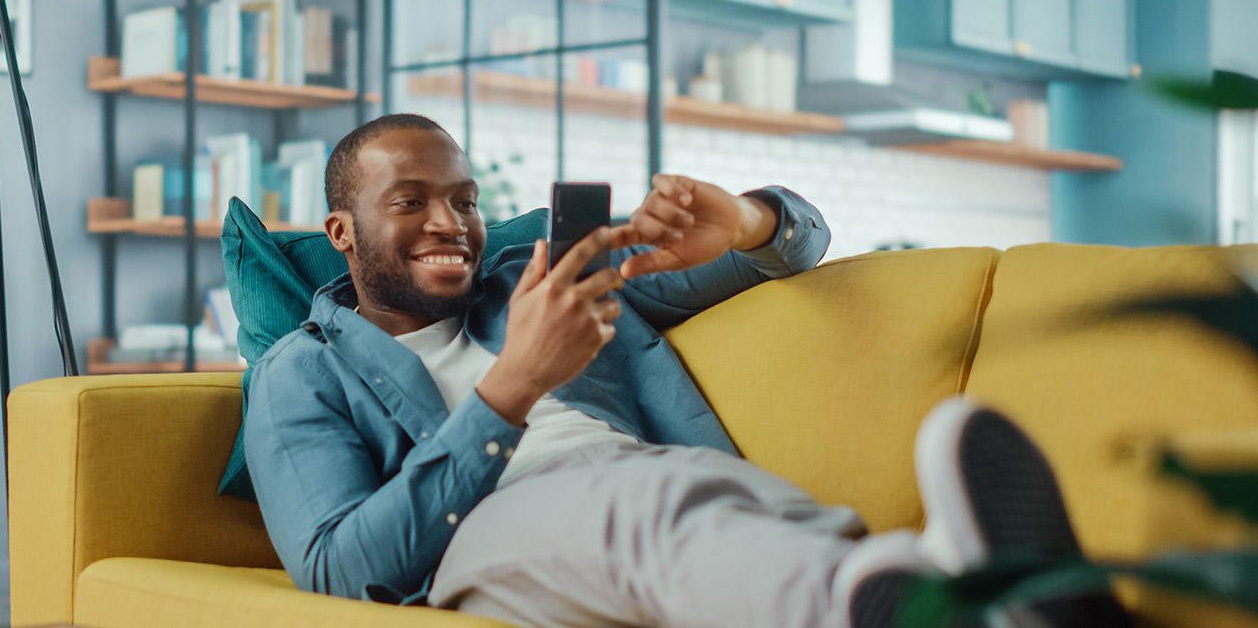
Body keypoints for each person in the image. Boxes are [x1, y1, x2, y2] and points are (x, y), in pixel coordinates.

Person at [242, 114, 1130, 628]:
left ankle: (958, 589)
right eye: (411, 203)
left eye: (465, 201)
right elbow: (336, 567)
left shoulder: (546, 277)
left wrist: (743, 223)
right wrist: (509, 390)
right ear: (343, 232)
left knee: (757, 509)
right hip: (483, 531)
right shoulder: (302, 373)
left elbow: (799, 245)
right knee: (642, 512)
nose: (453, 222)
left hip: (664, 477)